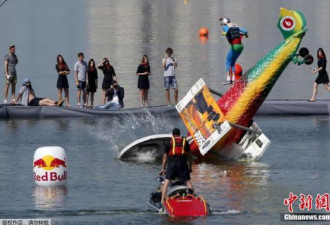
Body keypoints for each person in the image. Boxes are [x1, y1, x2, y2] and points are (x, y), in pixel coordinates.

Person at [159, 128, 193, 205]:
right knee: (188, 181)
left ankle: (162, 201)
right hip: (183, 163)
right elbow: (190, 156)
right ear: (179, 134)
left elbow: (165, 157)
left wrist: (163, 169)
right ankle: (192, 198)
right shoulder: (185, 142)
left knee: (167, 181)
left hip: (172, 164)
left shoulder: (169, 143)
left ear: (173, 135)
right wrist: (190, 167)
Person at [219, 18, 248, 85]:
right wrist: (244, 33)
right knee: (233, 62)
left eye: (222, 24)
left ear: (224, 23)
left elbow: (226, 29)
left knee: (227, 62)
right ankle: (233, 79)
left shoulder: (225, 27)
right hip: (241, 46)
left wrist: (225, 32)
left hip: (235, 46)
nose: (222, 26)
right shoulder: (235, 26)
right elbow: (245, 31)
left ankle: (228, 79)